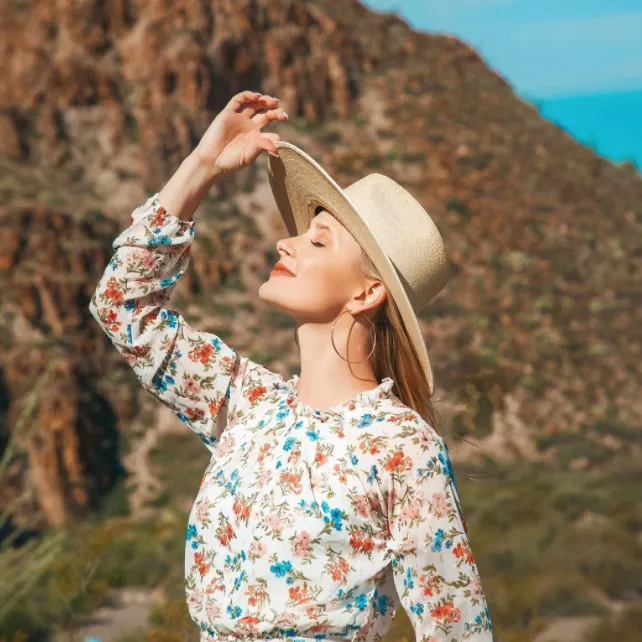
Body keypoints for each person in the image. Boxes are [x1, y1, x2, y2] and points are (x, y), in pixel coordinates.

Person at [89, 90, 493, 641]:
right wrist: (202, 166)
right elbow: (121, 305)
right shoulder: (246, 403)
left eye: (318, 241)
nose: (285, 243)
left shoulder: (401, 448)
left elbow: (456, 630)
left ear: (368, 292)